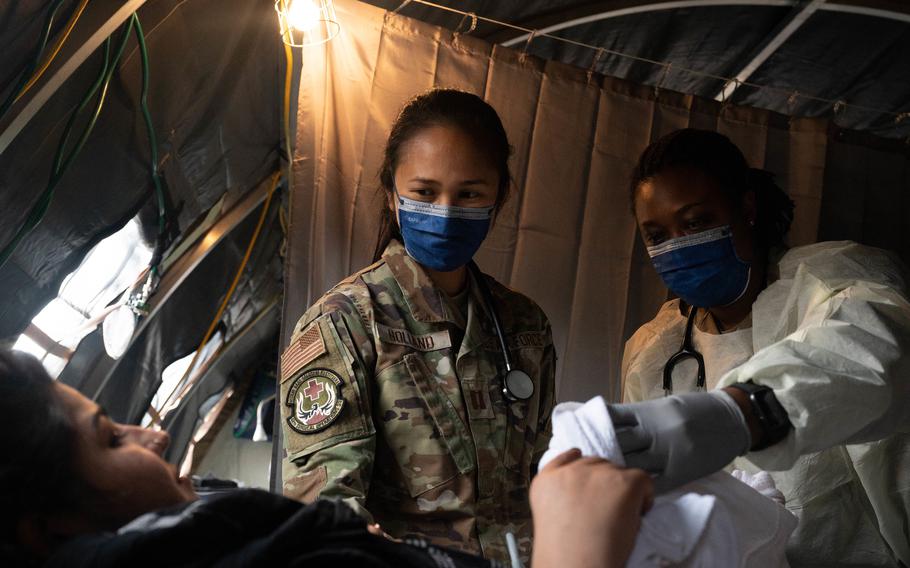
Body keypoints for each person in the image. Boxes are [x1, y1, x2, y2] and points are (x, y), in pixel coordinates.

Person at [0, 350, 649, 568]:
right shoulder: (346, 320)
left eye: (472, 193)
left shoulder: (233, 533)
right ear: (48, 529)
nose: (156, 436)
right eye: (111, 440)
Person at [279, 89, 556, 563]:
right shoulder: (345, 321)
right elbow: (326, 510)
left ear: (499, 197)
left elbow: (546, 477)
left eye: (469, 193)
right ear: (392, 193)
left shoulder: (524, 324)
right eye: (425, 193)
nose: (446, 212)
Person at [615, 128, 910, 566]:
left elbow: (872, 349)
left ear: (746, 208)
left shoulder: (831, 281)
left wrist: (741, 413)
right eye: (657, 235)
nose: (677, 245)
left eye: (695, 222)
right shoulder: (652, 350)